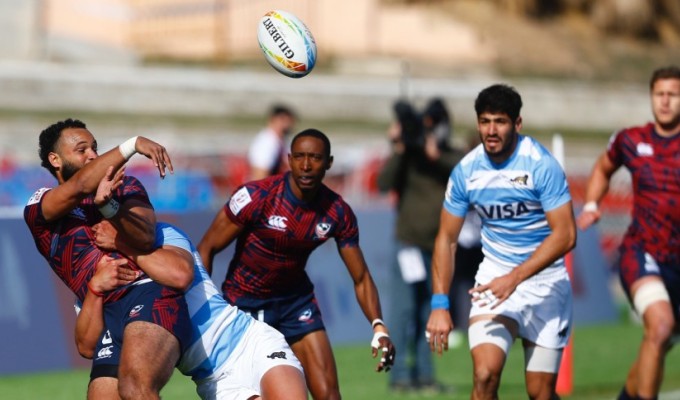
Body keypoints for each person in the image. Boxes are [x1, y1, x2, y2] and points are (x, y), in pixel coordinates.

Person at [198, 128, 396, 400]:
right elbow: (206, 248)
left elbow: (361, 277)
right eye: (300, 156)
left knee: (329, 395)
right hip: (245, 304)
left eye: (315, 158)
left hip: (296, 303)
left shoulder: (337, 211)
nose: (306, 165)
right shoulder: (257, 197)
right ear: (289, 160)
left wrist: (378, 325)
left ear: (329, 163)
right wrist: (205, 310)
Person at [23, 118, 193, 400]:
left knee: (135, 389)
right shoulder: (40, 206)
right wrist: (133, 144)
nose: (93, 154)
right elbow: (79, 186)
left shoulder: (125, 187)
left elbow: (146, 236)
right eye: (81, 149)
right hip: (104, 310)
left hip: (148, 292)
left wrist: (109, 207)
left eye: (95, 148)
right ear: (55, 159)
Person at [426, 84, 577, 399]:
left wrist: (517, 277)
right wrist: (440, 303)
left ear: (517, 124)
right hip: (494, 281)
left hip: (545, 285)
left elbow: (566, 235)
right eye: (485, 121)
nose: (491, 130)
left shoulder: (540, 164)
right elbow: (447, 239)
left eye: (500, 121)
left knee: (541, 393)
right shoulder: (466, 172)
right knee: (484, 376)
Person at [77, 219, 308, 400]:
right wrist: (94, 289)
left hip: (250, 343)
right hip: (214, 382)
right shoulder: (97, 272)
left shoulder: (162, 233)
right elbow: (89, 347)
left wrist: (121, 243)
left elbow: (179, 275)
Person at [576, 65, 680, 400]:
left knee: (658, 344)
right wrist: (592, 203)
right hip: (642, 254)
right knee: (660, 326)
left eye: (673, 95)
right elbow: (604, 167)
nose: (665, 101)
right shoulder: (632, 139)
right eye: (659, 94)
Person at [376, 98, 464, 393]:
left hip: (439, 248)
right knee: (403, 312)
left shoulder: (451, 157)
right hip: (409, 245)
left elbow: (462, 170)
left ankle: (425, 374)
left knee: (431, 313)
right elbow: (383, 183)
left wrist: (434, 154)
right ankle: (399, 374)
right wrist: (400, 148)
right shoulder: (409, 157)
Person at [247, 104, 296, 180]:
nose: (287, 125)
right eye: (283, 120)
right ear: (273, 120)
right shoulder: (266, 143)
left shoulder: (281, 141)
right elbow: (260, 175)